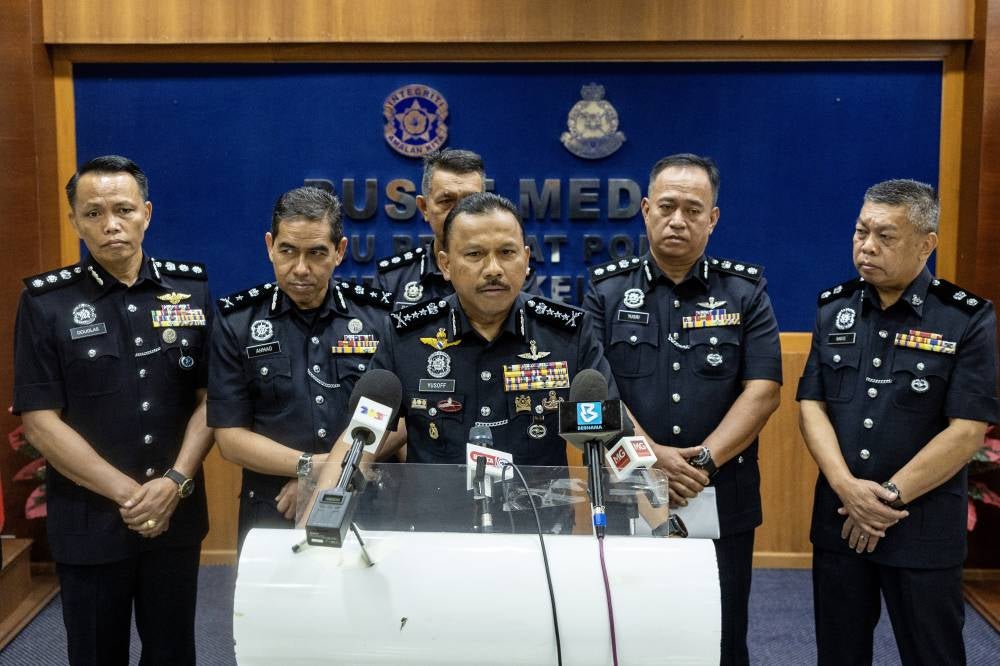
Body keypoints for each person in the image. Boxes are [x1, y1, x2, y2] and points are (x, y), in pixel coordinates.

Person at [12, 155, 214, 665]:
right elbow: (39, 418)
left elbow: (212, 400)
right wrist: (129, 495)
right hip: (91, 520)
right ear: (75, 221)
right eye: (94, 212)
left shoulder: (190, 289)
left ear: (146, 212)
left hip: (176, 511)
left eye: (123, 209)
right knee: (96, 653)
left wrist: (175, 482)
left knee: (173, 652)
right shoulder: (46, 303)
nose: (111, 224)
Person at [582, 153, 782, 666]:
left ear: (713, 219)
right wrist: (652, 460)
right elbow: (591, 388)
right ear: (645, 210)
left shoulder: (746, 291)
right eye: (666, 206)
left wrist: (700, 463)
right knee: (632, 628)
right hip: (631, 492)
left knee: (721, 629)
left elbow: (763, 390)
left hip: (721, 493)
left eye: (693, 210)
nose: (678, 219)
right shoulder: (603, 292)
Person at [797, 179, 998, 665]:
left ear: (926, 244)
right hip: (842, 522)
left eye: (885, 236)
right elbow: (812, 405)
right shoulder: (833, 309)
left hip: (920, 526)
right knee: (839, 654)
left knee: (933, 655)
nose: (867, 246)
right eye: (861, 231)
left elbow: (967, 429)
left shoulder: (965, 318)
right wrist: (848, 489)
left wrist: (884, 500)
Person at [207, 186, 393, 550]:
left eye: (317, 253)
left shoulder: (378, 319)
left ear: (339, 252)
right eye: (288, 251)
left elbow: (396, 423)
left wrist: (332, 478)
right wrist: (312, 468)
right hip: (274, 506)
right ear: (269, 246)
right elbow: (229, 438)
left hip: (364, 499)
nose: (301, 268)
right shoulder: (237, 323)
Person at [374, 148, 537, 308]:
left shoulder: (513, 274)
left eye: (471, 201)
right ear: (424, 208)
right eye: (446, 201)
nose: (459, 213)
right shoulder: (392, 279)